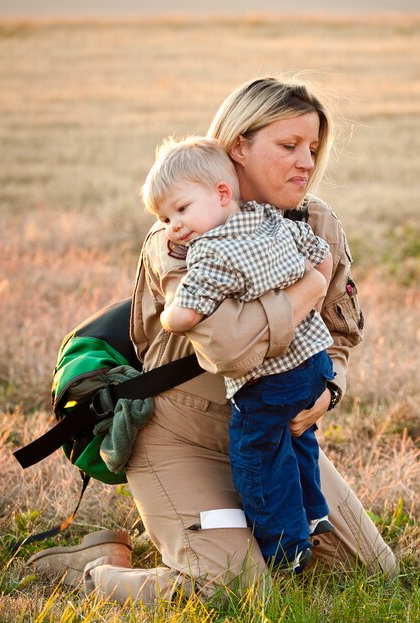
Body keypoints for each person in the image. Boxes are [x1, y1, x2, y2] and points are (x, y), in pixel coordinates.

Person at [27, 76, 398, 602]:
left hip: (274, 434)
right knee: (238, 591)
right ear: (238, 146)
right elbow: (226, 348)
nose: (306, 162)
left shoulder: (316, 222)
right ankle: (93, 570)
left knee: (366, 572)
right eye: (288, 146)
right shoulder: (179, 236)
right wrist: (308, 287)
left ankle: (234, 532)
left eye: (312, 148)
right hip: (179, 438)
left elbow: (338, 334)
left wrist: (329, 387)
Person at [141, 134, 336, 573]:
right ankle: (312, 513)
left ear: (222, 193)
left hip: (267, 380)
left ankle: (285, 547)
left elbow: (187, 316)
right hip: (310, 363)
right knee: (298, 441)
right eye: (167, 216)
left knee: (257, 455)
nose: (173, 225)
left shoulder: (207, 251)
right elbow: (320, 260)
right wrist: (311, 293)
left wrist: (172, 314)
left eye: (180, 210)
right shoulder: (269, 217)